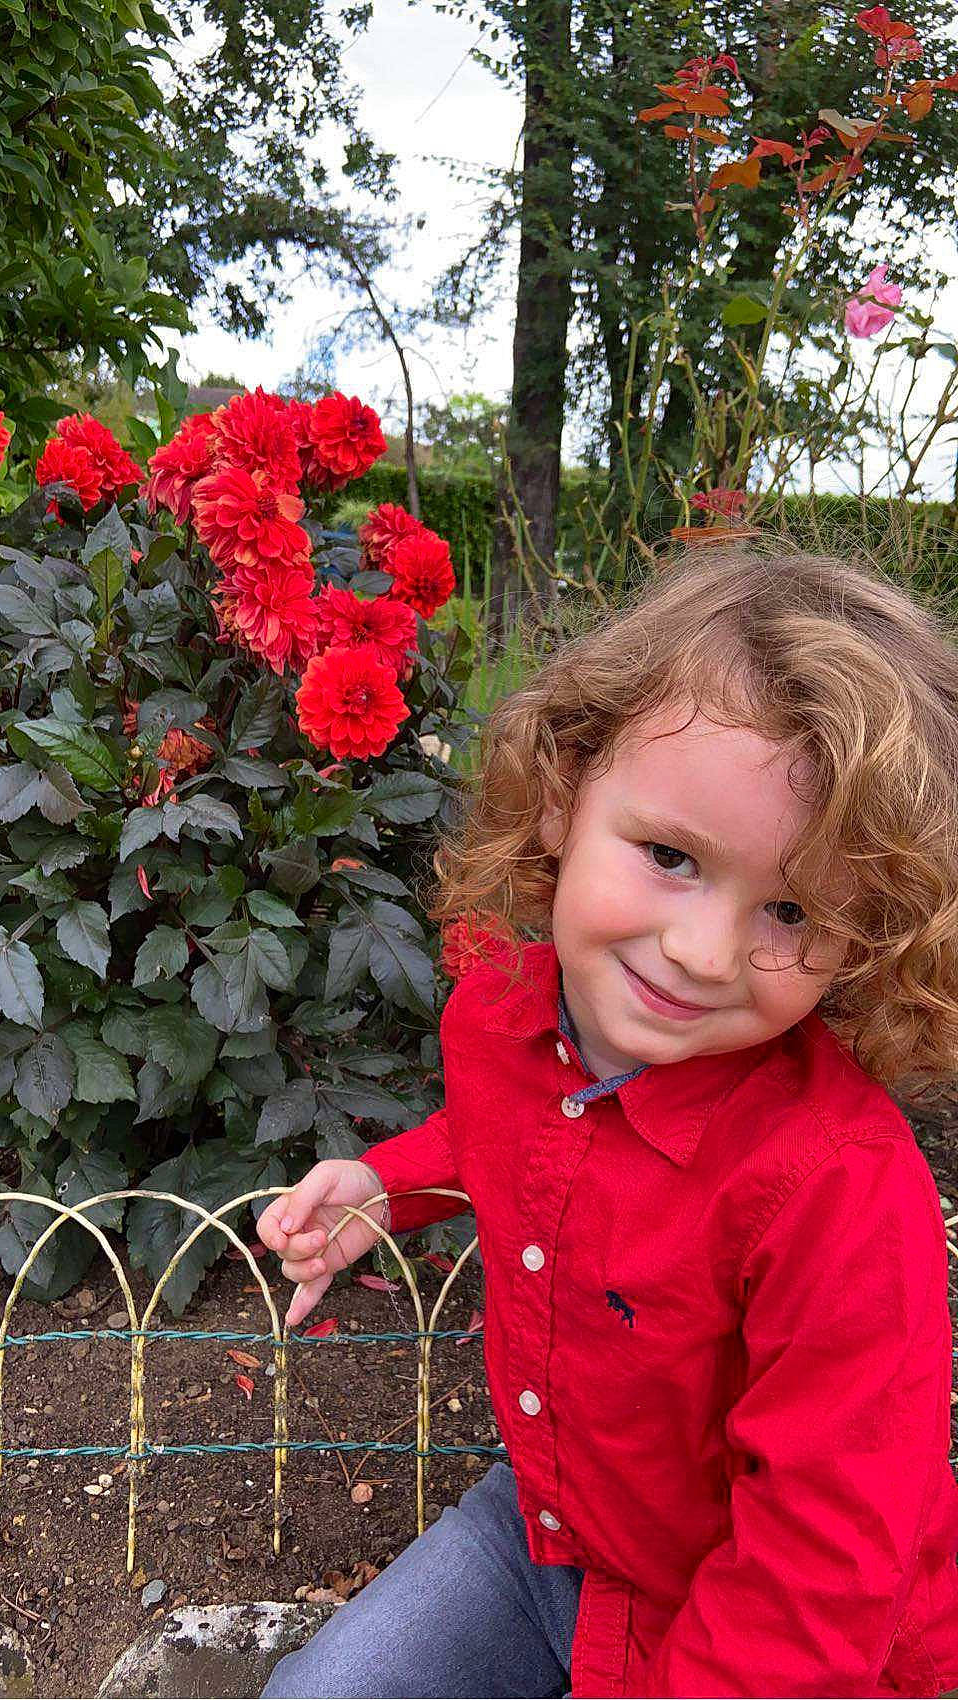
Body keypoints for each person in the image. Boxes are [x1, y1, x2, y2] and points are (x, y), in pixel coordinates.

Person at [259, 544, 958, 1699]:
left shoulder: (840, 1186)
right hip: (561, 1534)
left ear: (864, 936)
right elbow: (518, 1131)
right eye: (671, 856)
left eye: (791, 908)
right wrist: (389, 1185)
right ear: (560, 797)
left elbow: (822, 1561)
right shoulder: (500, 1016)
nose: (702, 950)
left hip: (789, 1628)